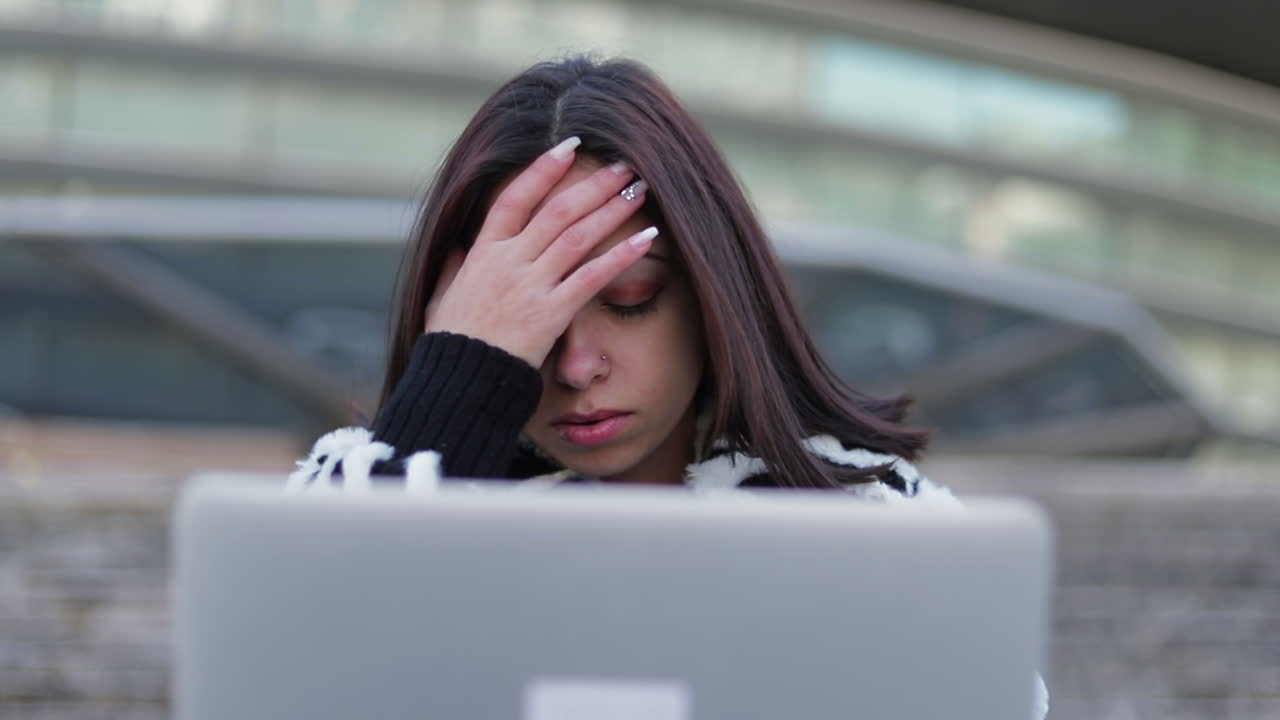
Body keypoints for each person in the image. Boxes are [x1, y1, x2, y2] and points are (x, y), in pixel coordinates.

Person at [287, 55, 1046, 718]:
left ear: (714, 294)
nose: (576, 367)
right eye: (527, 320)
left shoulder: (879, 536)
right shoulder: (350, 514)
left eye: (629, 300)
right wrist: (454, 389)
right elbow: (289, 674)